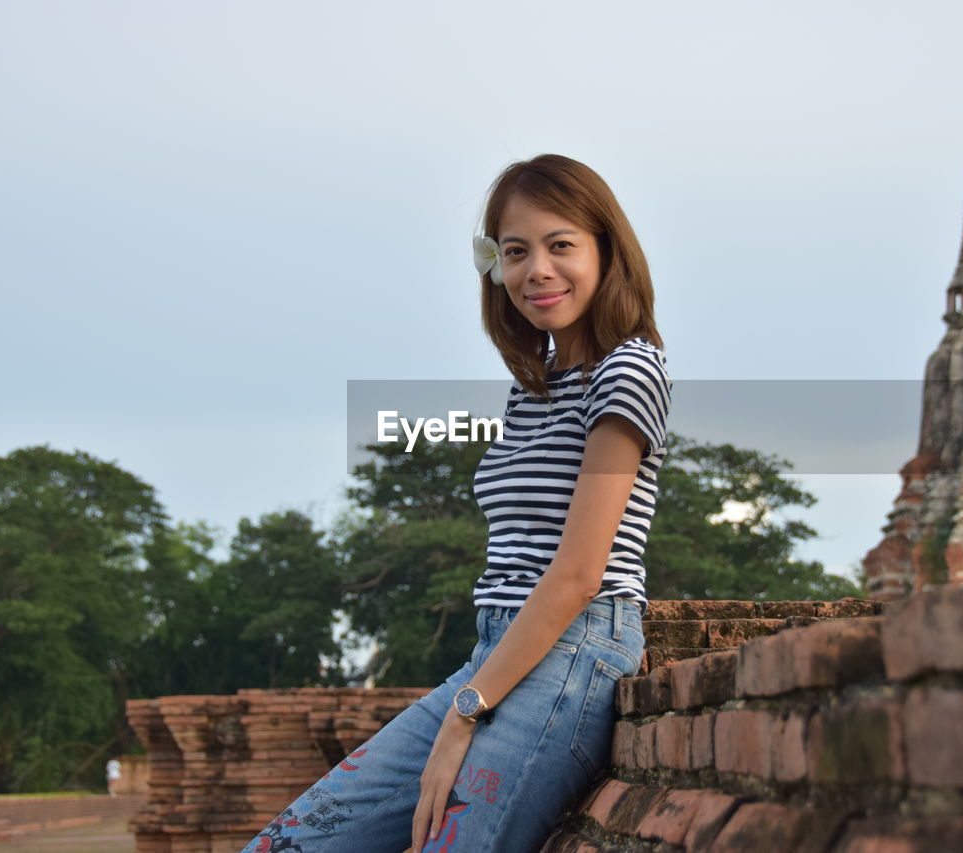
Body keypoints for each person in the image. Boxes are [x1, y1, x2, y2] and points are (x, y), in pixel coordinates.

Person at [241, 154, 670, 853]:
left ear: (605, 250)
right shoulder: (537, 384)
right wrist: (471, 693)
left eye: (561, 244)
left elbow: (577, 573)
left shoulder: (628, 367)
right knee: (286, 844)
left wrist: (466, 713)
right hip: (497, 649)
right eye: (515, 250)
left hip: (574, 647)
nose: (538, 269)